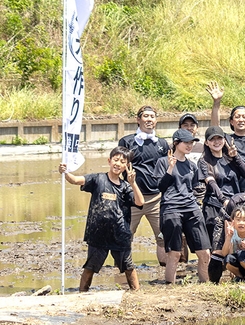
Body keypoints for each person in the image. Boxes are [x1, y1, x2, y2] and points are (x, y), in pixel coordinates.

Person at [59, 147, 144, 292]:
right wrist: (65, 171)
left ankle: (137, 293)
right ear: (109, 161)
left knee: (128, 266)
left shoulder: (125, 187)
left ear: (127, 166)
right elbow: (74, 180)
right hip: (97, 233)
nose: (118, 164)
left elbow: (140, 202)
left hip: (120, 234)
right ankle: (82, 294)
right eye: (116, 160)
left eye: (122, 162)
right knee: (90, 267)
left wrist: (132, 183)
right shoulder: (97, 179)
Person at [155, 129, 211, 283]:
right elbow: (161, 187)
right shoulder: (163, 162)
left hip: (191, 208)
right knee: (174, 254)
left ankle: (205, 284)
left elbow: (193, 188)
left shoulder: (192, 166)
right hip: (171, 208)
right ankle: (170, 286)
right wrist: (170, 168)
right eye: (186, 142)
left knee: (205, 252)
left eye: (191, 142)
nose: (190, 145)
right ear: (176, 143)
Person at [118, 105, 170, 266]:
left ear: (156, 120)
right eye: (145, 116)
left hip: (156, 198)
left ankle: (165, 271)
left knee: (162, 237)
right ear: (138, 119)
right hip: (132, 199)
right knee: (125, 236)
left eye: (152, 116)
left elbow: (168, 168)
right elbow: (118, 165)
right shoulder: (127, 141)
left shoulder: (162, 144)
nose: (149, 119)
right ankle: (124, 270)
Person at [199, 125, 245, 253]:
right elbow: (211, 183)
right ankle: (215, 269)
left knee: (235, 240)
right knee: (216, 242)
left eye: (219, 138)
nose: (216, 142)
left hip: (234, 204)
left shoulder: (230, 157)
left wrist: (236, 157)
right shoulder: (204, 161)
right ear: (206, 142)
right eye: (212, 139)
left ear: (224, 140)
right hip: (214, 205)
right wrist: (223, 200)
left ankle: (233, 268)